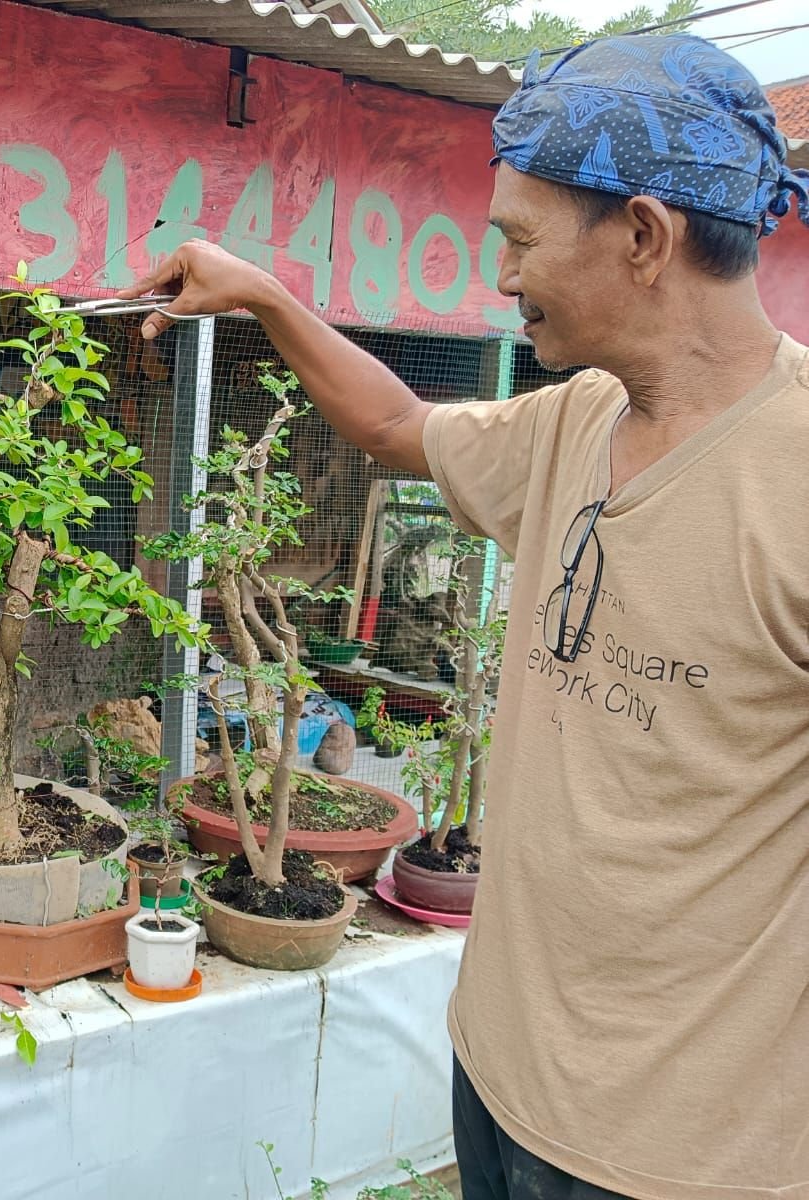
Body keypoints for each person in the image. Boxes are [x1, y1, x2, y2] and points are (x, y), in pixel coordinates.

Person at [120, 34, 809, 1200]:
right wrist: (266, 297)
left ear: (644, 237)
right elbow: (400, 429)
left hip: (685, 1153)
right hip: (496, 1072)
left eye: (522, 241)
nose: (501, 277)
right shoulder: (576, 420)